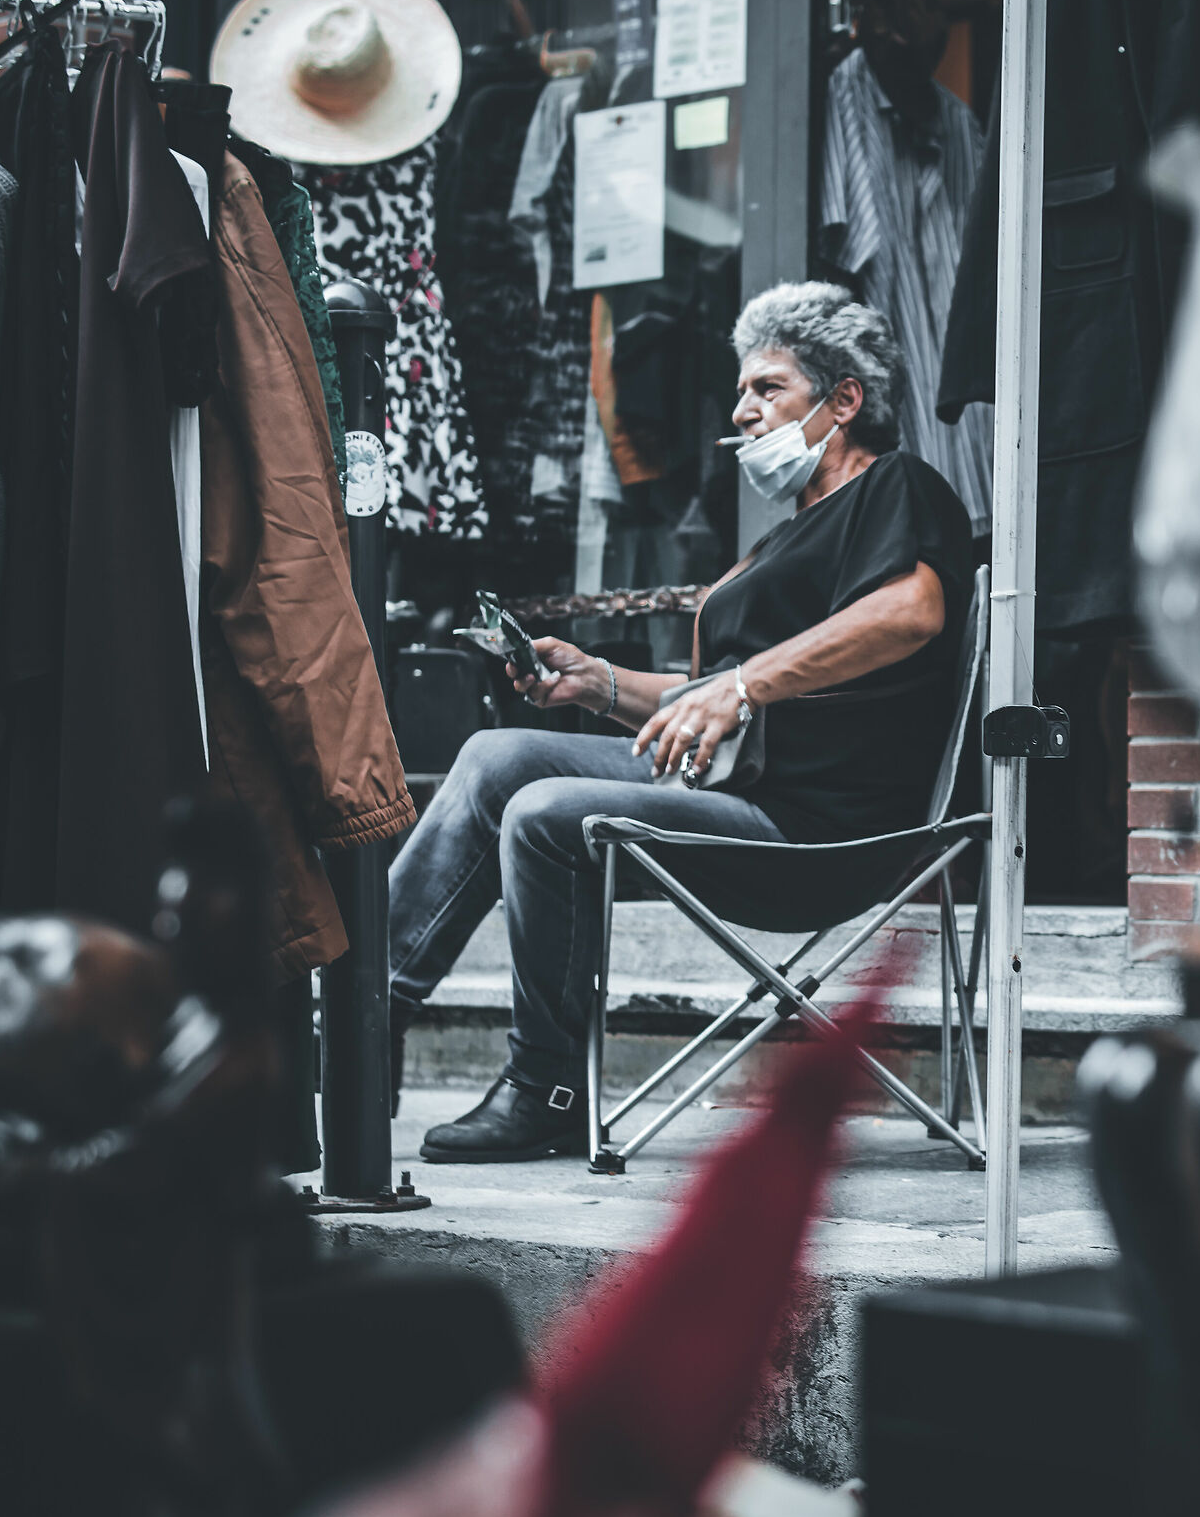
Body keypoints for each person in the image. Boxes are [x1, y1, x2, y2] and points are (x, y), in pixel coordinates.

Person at [388, 283, 974, 1162]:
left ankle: (547, 1084)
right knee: (495, 755)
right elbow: (711, 704)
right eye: (740, 391)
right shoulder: (785, 538)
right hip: (736, 785)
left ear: (845, 399)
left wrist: (739, 687)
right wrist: (598, 684)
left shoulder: (899, 488)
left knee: (546, 813)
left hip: (820, 832)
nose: (742, 410)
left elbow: (910, 612)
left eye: (768, 387)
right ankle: (364, 1015)